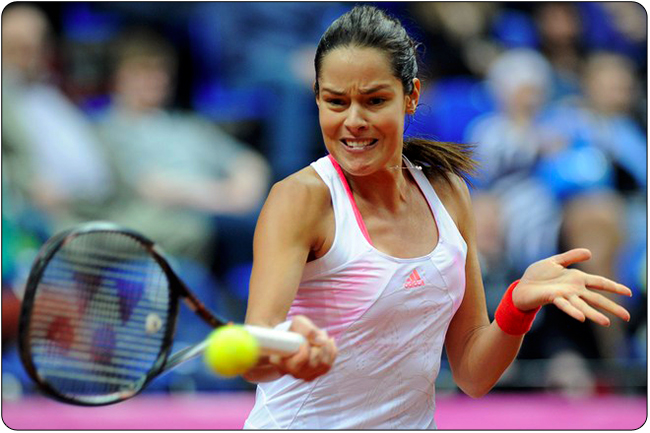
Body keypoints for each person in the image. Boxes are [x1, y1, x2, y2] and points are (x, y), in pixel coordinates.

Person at [242, 6, 632, 429]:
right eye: (336, 102)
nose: (353, 121)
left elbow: (473, 374)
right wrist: (289, 350)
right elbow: (255, 356)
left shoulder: (448, 193)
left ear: (411, 96)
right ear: (318, 98)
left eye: (374, 100)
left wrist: (517, 305)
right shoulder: (300, 198)